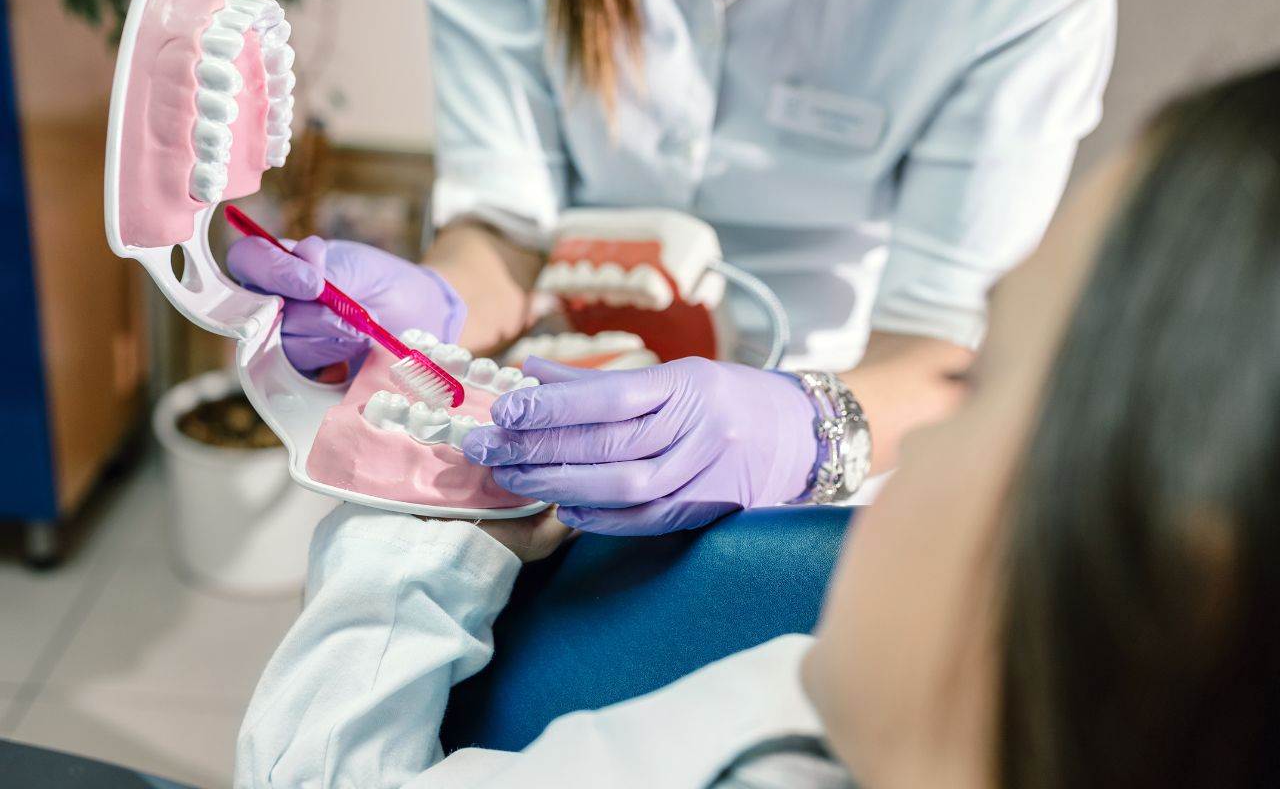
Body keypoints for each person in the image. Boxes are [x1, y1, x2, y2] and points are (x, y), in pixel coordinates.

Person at [234, 65, 1280, 788]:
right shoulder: (803, 687)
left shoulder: (759, 729)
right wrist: (446, 310)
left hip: (833, 364)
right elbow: (498, 223)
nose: (946, 427)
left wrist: (415, 529)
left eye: (989, 380)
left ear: (1180, 569)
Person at [227, 0, 1118, 533]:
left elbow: (943, 349)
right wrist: (434, 302)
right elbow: (506, 228)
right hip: (560, 363)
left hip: (844, 400)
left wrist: (807, 434)